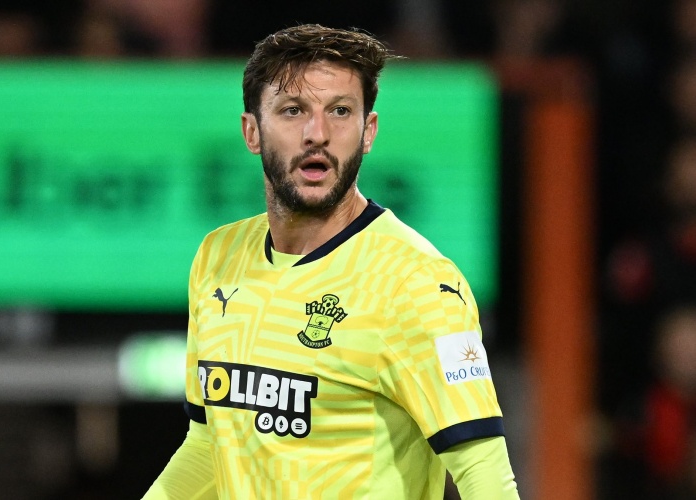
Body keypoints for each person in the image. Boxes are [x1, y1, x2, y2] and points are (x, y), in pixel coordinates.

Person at [142, 24, 519, 499]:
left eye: (340, 111)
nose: (317, 134)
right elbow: (208, 445)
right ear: (252, 131)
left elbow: (485, 474)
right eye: (293, 110)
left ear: (368, 131)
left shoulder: (415, 282)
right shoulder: (218, 257)